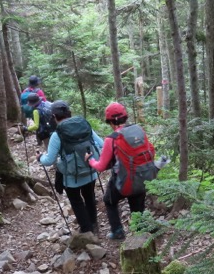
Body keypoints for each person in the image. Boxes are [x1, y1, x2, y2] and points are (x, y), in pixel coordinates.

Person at [86, 102, 153, 240]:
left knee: (109, 201)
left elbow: (100, 166)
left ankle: (117, 231)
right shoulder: (138, 130)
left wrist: (89, 160)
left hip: (124, 181)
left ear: (110, 121)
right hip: (142, 177)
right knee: (137, 205)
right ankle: (142, 234)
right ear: (125, 116)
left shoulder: (112, 139)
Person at [38, 101, 103, 235]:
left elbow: (49, 160)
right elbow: (101, 144)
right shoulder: (84, 126)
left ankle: (86, 230)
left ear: (54, 117)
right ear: (69, 113)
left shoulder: (57, 135)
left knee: (76, 201)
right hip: (90, 171)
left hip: (71, 177)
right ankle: (93, 224)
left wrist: (40, 158)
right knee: (90, 197)